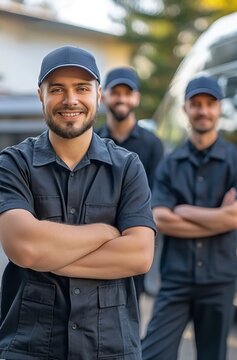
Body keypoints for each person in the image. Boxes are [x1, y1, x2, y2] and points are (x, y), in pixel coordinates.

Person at [0, 45, 156, 360]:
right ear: (41, 95)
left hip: (110, 347)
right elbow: (23, 247)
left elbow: (139, 255)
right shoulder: (13, 163)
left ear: (98, 95)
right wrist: (106, 233)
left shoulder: (127, 167)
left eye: (82, 88)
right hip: (30, 347)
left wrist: (43, 255)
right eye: (57, 89)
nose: (70, 100)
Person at [141, 76, 237, 360]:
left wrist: (185, 211)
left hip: (219, 281)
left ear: (219, 108)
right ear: (186, 109)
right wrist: (219, 217)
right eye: (196, 104)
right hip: (176, 280)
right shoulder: (170, 163)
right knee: (153, 354)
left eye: (209, 104)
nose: (203, 110)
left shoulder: (236, 160)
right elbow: (161, 220)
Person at [96, 66, 163, 299]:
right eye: (116, 92)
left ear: (136, 98)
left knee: (132, 309)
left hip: (135, 239)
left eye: (127, 92)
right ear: (104, 96)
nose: (122, 98)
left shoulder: (153, 144)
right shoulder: (92, 141)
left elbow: (157, 194)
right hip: (97, 240)